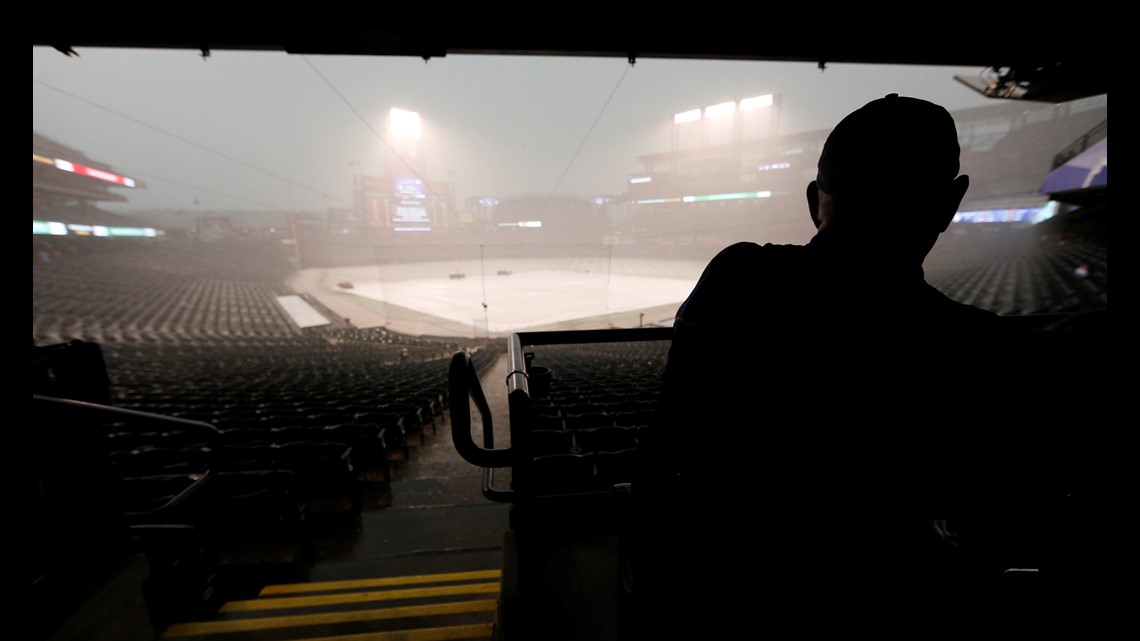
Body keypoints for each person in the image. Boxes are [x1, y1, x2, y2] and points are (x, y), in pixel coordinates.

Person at [629, 94, 1024, 634]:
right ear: (950, 203)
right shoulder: (985, 346)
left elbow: (664, 453)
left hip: (725, 599)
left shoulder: (738, 279)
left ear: (817, 198)